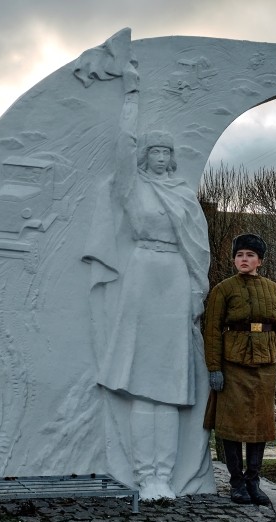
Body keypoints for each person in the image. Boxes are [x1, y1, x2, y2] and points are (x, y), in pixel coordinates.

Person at [85, 61, 210, 499]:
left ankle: (165, 475)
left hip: (175, 280)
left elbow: (199, 250)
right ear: (145, 156)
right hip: (140, 277)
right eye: (153, 151)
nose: (159, 157)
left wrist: (197, 291)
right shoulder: (131, 187)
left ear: (172, 158)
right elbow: (122, 148)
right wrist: (132, 97)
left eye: (165, 152)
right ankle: (146, 476)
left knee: (171, 388)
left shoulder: (183, 196)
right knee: (141, 385)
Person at [203, 234, 276, 505]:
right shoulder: (223, 289)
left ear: (260, 261)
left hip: (265, 368)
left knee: (260, 426)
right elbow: (212, 332)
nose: (244, 260)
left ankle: (254, 482)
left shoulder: (274, 290)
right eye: (239, 255)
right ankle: (236, 484)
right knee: (232, 427)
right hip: (232, 368)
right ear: (234, 259)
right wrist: (214, 369)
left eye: (250, 255)